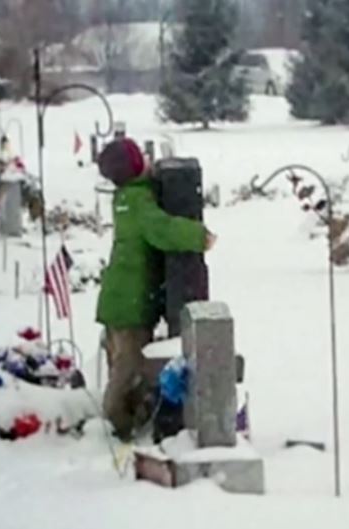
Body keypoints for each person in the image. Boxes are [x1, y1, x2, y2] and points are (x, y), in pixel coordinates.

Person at [96, 138, 214, 440]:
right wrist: (198, 236)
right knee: (128, 371)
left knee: (123, 367)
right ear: (134, 168)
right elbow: (161, 230)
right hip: (130, 305)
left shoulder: (127, 197)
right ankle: (117, 427)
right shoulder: (138, 201)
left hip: (119, 298)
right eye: (142, 158)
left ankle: (130, 419)